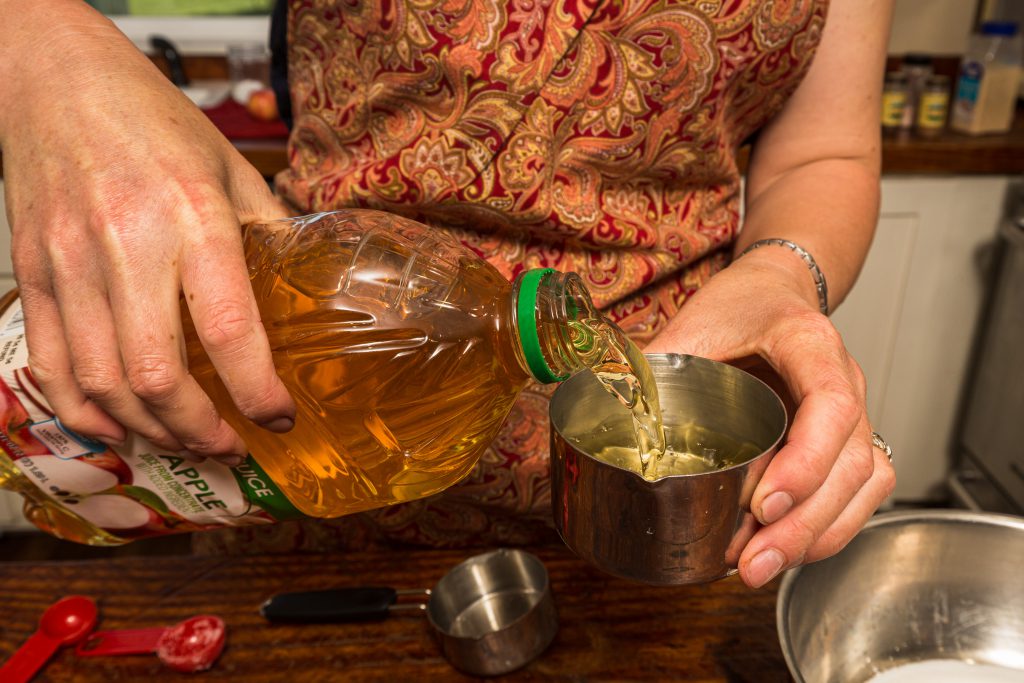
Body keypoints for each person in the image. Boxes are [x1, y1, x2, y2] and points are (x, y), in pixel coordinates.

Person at [0, 0, 896, 589]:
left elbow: (827, 154)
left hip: (659, 515)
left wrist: (779, 272)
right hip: (297, 399)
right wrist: (40, 41)